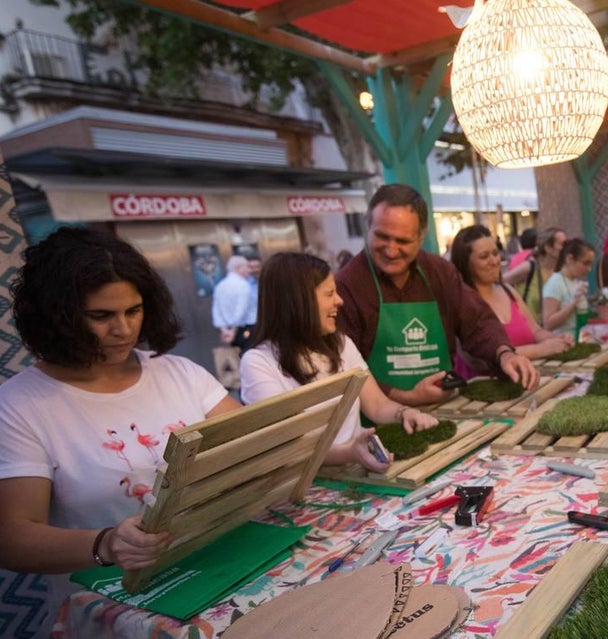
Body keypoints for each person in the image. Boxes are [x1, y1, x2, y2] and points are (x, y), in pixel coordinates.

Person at [0, 227, 242, 639]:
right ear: (56, 315)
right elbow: (13, 540)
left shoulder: (180, 374)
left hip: (212, 585)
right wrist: (106, 543)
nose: (123, 330)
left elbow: (248, 447)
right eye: (101, 316)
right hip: (115, 631)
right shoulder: (19, 407)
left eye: (133, 311)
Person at [335, 184, 538, 407]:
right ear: (368, 227)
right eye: (382, 237)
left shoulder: (439, 272)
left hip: (446, 409)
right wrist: (405, 398)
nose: (391, 250)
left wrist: (505, 354)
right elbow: (344, 368)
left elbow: (478, 322)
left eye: (403, 241)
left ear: (422, 237)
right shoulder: (347, 285)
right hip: (377, 420)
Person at [240, 252, 439, 470]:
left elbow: (377, 404)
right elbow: (290, 448)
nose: (339, 301)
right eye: (330, 293)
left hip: (354, 472)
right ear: (298, 301)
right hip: (304, 486)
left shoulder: (341, 344)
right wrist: (350, 452)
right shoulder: (258, 363)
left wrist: (405, 413)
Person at [448, 225, 572, 377]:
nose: (493, 261)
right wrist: (541, 349)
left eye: (495, 253)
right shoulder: (462, 301)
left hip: (526, 383)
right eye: (484, 256)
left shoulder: (508, 291)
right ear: (465, 263)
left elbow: (535, 331)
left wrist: (555, 339)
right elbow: (478, 358)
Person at [504, 227, 567, 323]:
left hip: (552, 331)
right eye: (563, 244)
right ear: (548, 248)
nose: (566, 248)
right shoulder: (530, 268)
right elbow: (500, 282)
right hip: (529, 330)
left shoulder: (561, 272)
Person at [541, 238, 595, 337]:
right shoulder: (555, 283)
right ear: (570, 259)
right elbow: (548, 324)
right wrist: (573, 303)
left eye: (590, 264)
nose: (589, 269)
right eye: (585, 263)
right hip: (564, 343)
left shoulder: (574, 280)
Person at [212, 255, 255, 351]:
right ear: (239, 268)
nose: (250, 270)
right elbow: (241, 311)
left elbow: (216, 311)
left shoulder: (220, 286)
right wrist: (233, 331)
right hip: (246, 330)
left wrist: (224, 330)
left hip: (229, 331)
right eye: (247, 267)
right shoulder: (243, 285)